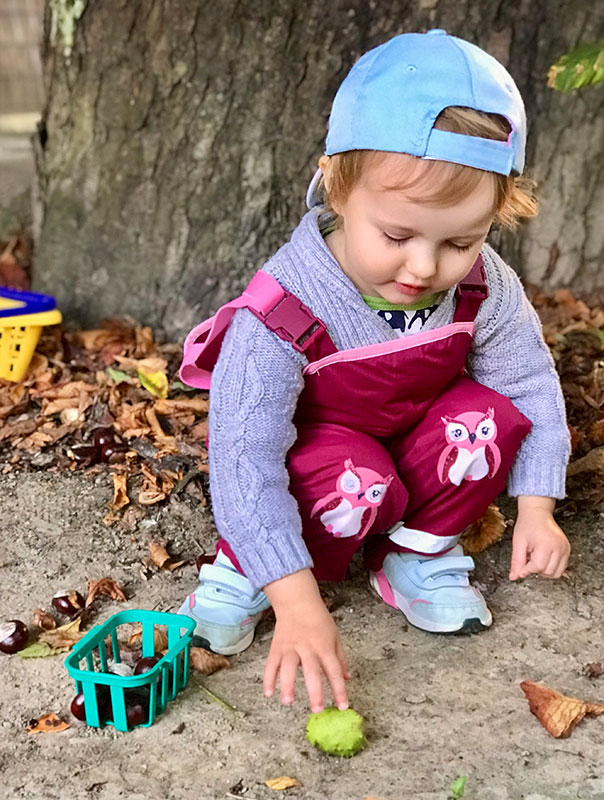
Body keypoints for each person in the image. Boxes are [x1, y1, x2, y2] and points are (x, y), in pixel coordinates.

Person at [178, 29, 571, 714]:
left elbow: (528, 383)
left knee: (490, 417)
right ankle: (252, 563)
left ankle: (415, 553)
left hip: (414, 444)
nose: (424, 269)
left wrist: (537, 503)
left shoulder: (485, 285)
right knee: (353, 477)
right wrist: (297, 603)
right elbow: (245, 456)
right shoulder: (283, 306)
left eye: (459, 241)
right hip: (323, 466)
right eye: (396, 237)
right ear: (335, 185)